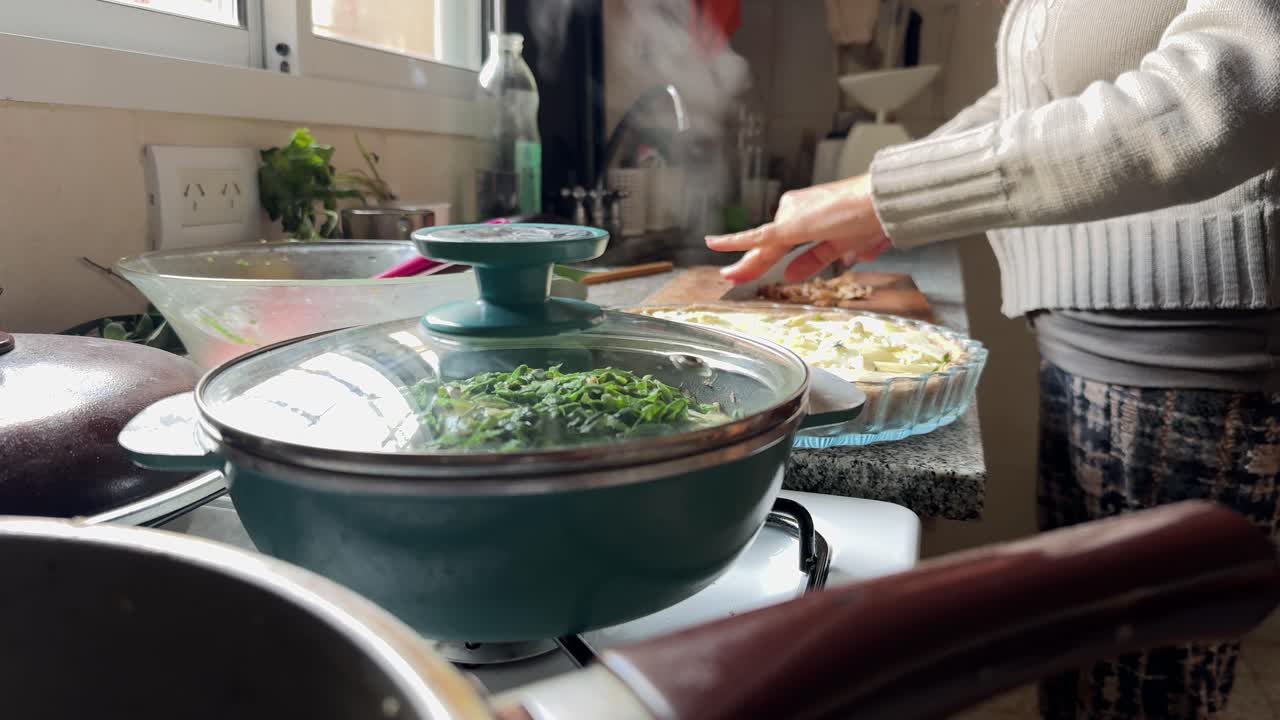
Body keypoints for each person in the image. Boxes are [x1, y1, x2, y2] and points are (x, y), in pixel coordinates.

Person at [706, 1, 1280, 718]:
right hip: (1090, 336)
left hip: (1190, 354)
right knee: (1083, 671)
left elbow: (1230, 92)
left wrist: (885, 196)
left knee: (1138, 692)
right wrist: (883, 195)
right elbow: (1032, 99)